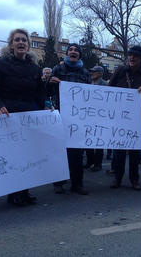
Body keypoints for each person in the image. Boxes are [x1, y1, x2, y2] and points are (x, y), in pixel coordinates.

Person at [0, 28, 46, 206]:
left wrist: (47, 109)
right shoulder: (1, 65)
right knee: (12, 157)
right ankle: (13, 193)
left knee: (28, 156)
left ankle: (25, 191)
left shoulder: (35, 68)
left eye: (24, 40)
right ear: (11, 44)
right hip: (8, 116)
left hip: (28, 117)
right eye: (17, 40)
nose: (21, 43)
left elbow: (39, 95)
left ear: (28, 45)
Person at [48, 43, 91, 195]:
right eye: (70, 50)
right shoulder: (58, 69)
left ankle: (77, 184)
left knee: (77, 152)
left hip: (78, 117)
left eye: (76, 50)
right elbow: (48, 91)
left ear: (80, 55)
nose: (73, 52)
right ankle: (58, 182)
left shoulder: (85, 73)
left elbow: (89, 95)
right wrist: (50, 82)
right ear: (67, 54)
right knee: (59, 150)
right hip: (60, 115)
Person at [109, 45, 141, 191]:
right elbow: (109, 88)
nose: (132, 58)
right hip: (120, 116)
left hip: (138, 117)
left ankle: (134, 179)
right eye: (130, 55)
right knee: (119, 149)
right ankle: (117, 177)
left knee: (135, 150)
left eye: (135, 56)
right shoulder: (120, 70)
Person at [84, 65, 107, 172]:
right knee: (87, 140)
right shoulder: (88, 83)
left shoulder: (105, 85)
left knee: (98, 141)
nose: (91, 73)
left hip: (100, 117)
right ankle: (90, 161)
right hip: (88, 116)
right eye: (91, 71)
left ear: (100, 73)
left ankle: (98, 164)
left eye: (94, 71)